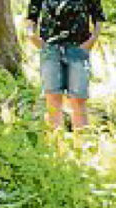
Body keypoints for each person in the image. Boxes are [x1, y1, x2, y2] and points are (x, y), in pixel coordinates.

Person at [25, 0, 104, 130]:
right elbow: (32, 15)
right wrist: (32, 36)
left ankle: (82, 143)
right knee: (52, 97)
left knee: (78, 99)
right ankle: (57, 143)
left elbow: (98, 16)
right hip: (50, 49)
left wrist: (91, 41)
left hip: (78, 48)